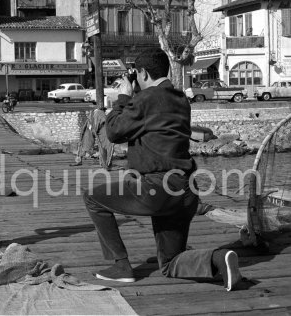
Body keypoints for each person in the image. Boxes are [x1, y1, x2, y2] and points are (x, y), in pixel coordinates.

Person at [83, 48, 242, 291]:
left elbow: (113, 132)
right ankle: (218, 260)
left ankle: (121, 266)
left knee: (93, 197)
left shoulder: (145, 99)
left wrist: (124, 98)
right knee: (169, 263)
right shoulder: (180, 99)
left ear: (143, 72)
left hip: (157, 189)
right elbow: (153, 127)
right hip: (186, 191)